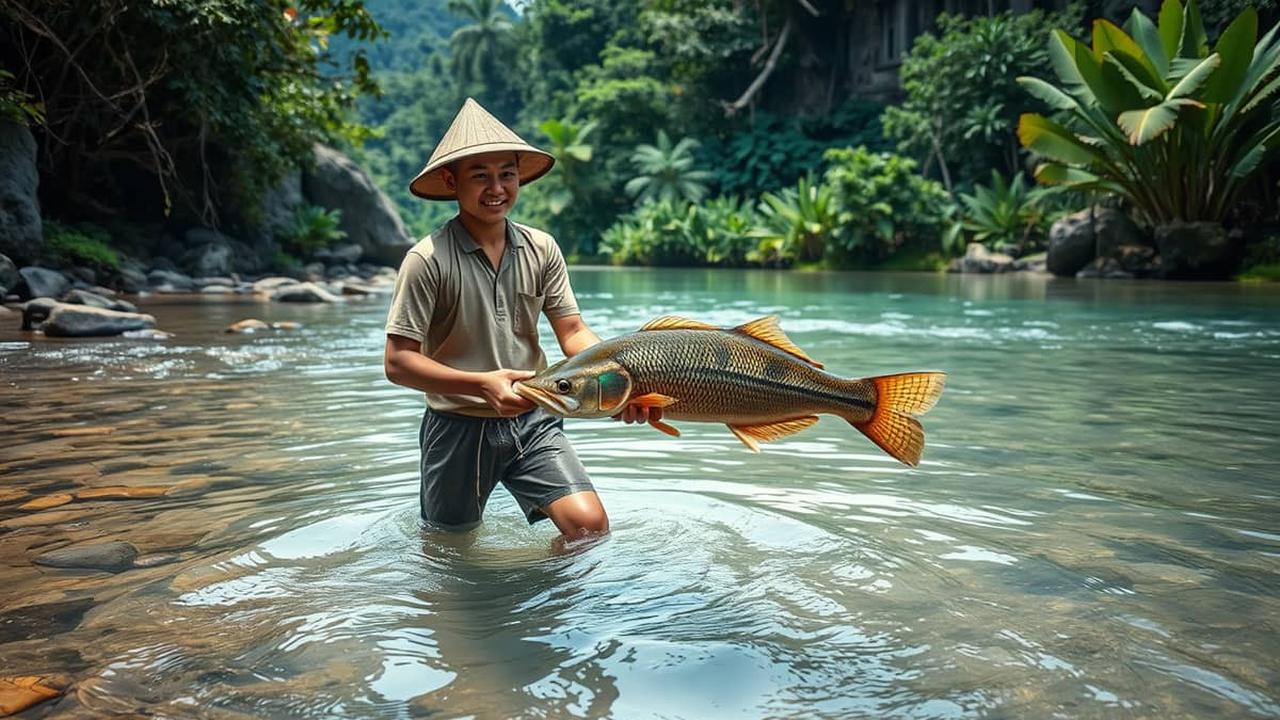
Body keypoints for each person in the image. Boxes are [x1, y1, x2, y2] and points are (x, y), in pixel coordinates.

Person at [383, 98, 652, 540]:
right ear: (451, 181)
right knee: (449, 547)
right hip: (457, 426)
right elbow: (397, 363)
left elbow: (573, 332)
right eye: (480, 176)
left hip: (534, 415)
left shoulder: (541, 248)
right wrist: (481, 383)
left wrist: (621, 382)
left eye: (506, 175)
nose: (497, 188)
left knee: (588, 529)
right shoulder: (426, 260)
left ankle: (540, 608)